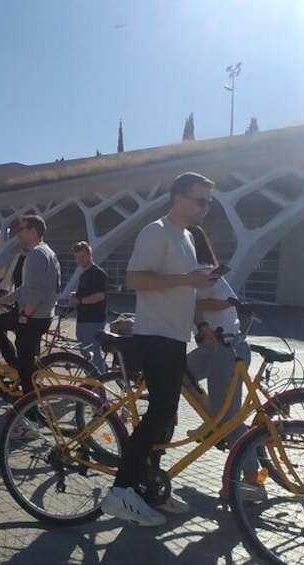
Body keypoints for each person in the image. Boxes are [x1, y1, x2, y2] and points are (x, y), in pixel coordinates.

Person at [100, 172, 216, 527]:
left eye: (209, 202)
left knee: (166, 416)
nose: (206, 208)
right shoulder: (156, 232)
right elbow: (135, 279)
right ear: (178, 197)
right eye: (201, 201)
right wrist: (187, 279)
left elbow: (188, 291)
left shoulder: (187, 239)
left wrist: (201, 326)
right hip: (156, 336)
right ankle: (120, 493)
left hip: (176, 336)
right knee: (160, 414)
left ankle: (150, 485)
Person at [184, 225, 265, 502]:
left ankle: (253, 482)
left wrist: (191, 309)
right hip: (218, 347)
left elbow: (218, 303)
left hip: (225, 349)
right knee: (179, 373)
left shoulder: (203, 271)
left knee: (229, 420)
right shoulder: (202, 271)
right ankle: (210, 422)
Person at [0, 215, 60, 401]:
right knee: (27, 361)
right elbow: (27, 287)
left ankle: (30, 415)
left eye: (21, 230)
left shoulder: (37, 254)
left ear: (32, 231)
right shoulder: (47, 252)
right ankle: (20, 372)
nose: (18, 234)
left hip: (33, 317)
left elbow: (37, 290)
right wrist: (3, 300)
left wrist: (24, 313)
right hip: (42, 316)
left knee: (24, 369)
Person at [0, 249, 28, 367]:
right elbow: (7, 280)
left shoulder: (35, 258)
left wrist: (3, 300)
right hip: (19, 305)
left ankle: (14, 364)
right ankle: (15, 365)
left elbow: (26, 287)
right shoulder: (18, 257)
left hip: (28, 308)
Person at [68, 241, 108, 375]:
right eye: (77, 258)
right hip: (82, 321)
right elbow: (83, 295)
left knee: (94, 358)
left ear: (90, 254)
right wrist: (75, 296)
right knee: (86, 357)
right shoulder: (83, 275)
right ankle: (90, 385)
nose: (80, 260)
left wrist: (80, 300)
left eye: (82, 257)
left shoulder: (99, 273)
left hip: (94, 321)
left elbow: (99, 296)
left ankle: (99, 387)